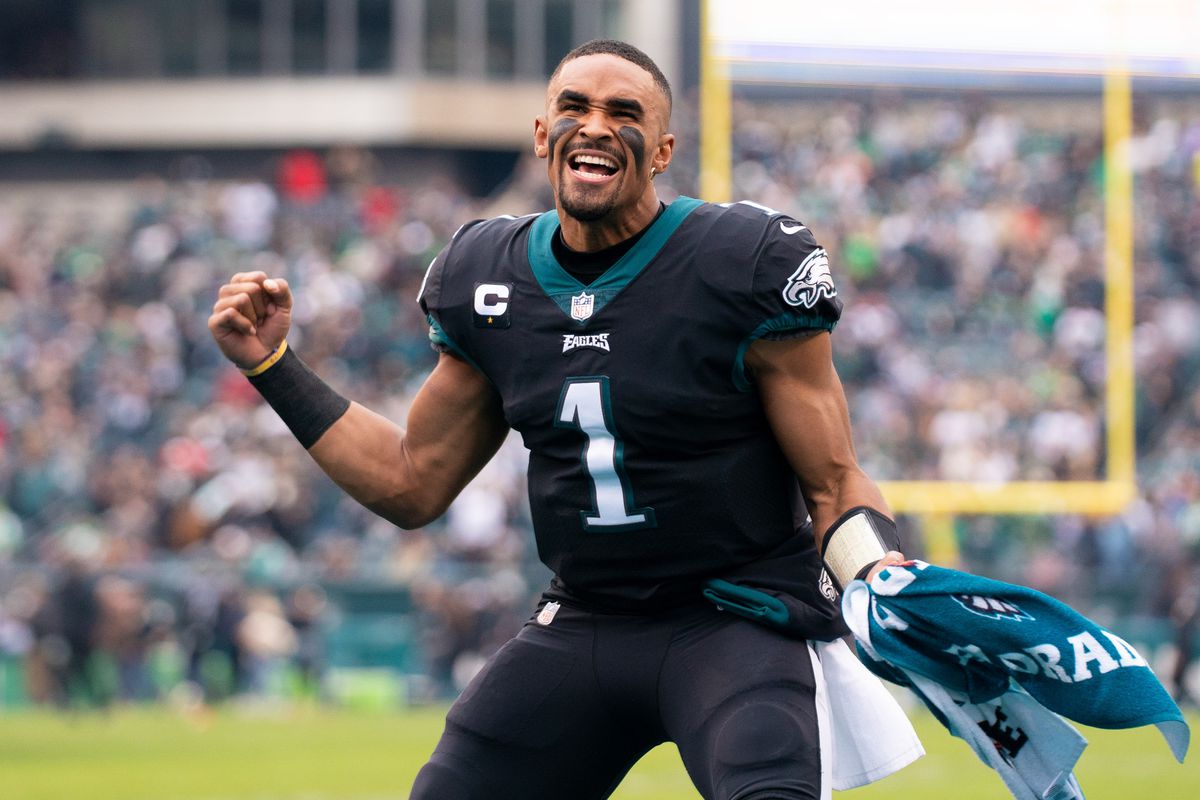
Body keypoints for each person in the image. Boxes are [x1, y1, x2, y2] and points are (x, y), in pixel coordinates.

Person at [209, 39, 906, 800]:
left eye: (624, 113)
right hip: (586, 619)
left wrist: (877, 572)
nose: (596, 126)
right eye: (574, 107)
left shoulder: (740, 260)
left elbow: (834, 480)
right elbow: (410, 482)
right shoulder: (488, 275)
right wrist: (274, 367)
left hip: (734, 616)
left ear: (663, 149)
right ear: (543, 135)